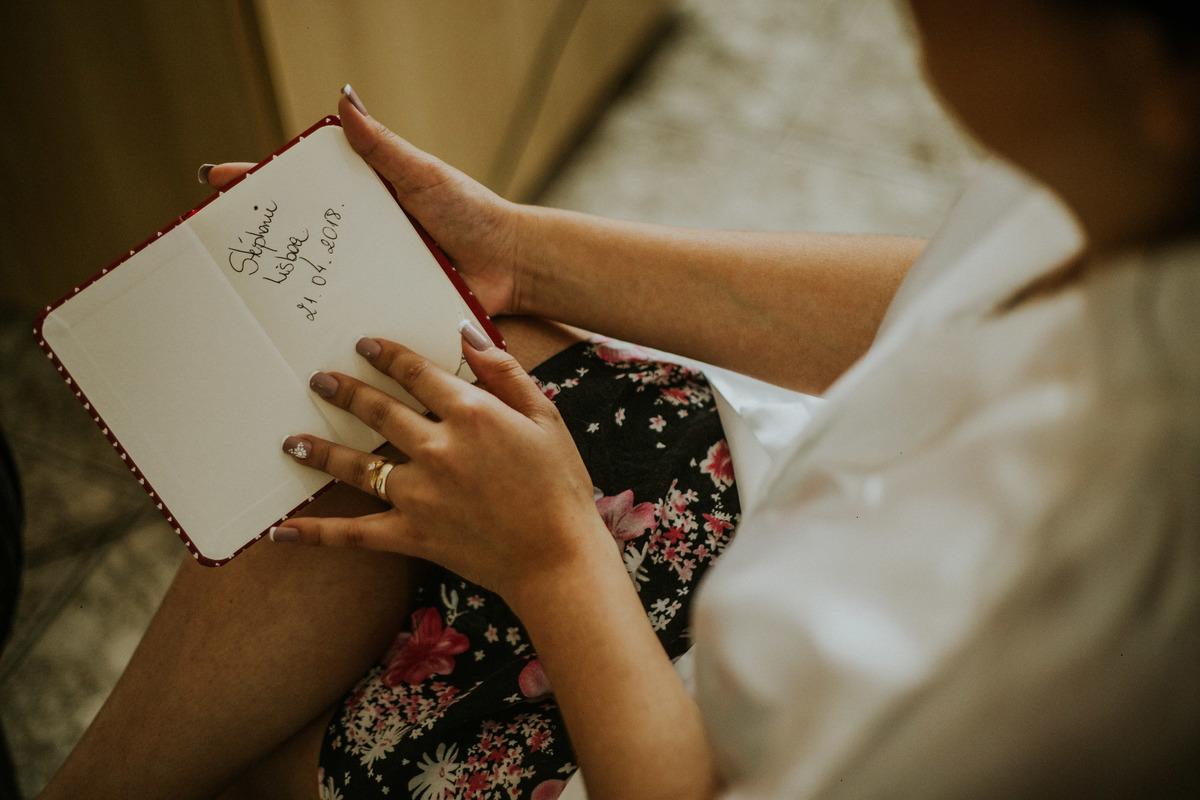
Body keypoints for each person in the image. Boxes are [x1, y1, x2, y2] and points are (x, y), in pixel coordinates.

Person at [40, 0, 1199, 797]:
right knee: (412, 368)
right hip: (770, 540)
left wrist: (549, 554)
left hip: (690, 753)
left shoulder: (1104, 603)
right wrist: (520, 251)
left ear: (1160, 76)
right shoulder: (1138, 179)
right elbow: (949, 295)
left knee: (270, 756)